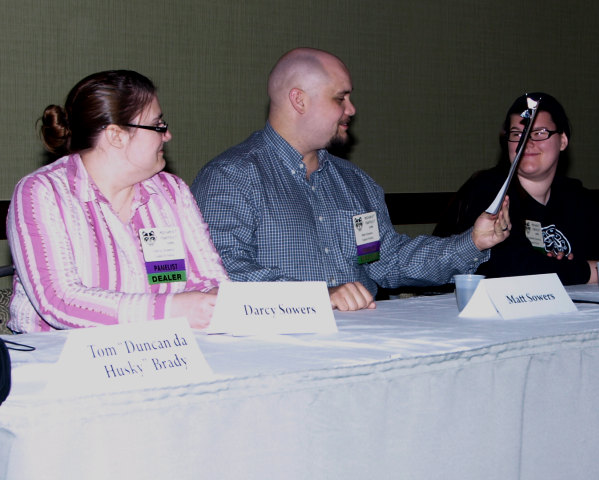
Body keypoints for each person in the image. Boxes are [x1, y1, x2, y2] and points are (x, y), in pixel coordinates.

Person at [191, 47, 510, 311]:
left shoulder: (356, 183)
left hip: (363, 346)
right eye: (340, 98)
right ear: (299, 100)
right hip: (279, 354)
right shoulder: (231, 178)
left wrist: (473, 242)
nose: (352, 109)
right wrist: (319, 299)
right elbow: (223, 275)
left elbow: (388, 261)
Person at [7, 70, 229, 333]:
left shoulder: (173, 191)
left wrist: (216, 303)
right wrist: (171, 310)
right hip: (58, 360)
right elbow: (59, 302)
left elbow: (211, 279)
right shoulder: (41, 193)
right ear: (116, 135)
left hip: (160, 352)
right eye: (157, 124)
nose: (166, 134)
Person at [434, 92, 599, 285]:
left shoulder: (573, 195)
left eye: (539, 133)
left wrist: (565, 266)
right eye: (517, 134)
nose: (526, 143)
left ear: (563, 140)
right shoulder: (489, 190)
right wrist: (594, 271)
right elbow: (511, 269)